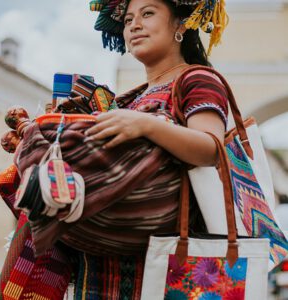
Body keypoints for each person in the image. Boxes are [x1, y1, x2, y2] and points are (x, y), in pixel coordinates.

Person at [71, 0, 229, 298]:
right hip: (103, 269)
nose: (134, 25)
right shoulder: (128, 99)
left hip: (166, 266)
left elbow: (211, 149)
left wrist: (146, 125)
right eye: (128, 19)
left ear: (181, 23)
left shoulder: (197, 79)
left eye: (147, 13)